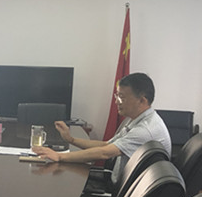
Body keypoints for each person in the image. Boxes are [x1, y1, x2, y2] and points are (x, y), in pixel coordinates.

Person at [32, 72, 171, 184]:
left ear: (142, 100)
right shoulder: (137, 119)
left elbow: (104, 153)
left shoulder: (145, 131)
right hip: (121, 185)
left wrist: (59, 156)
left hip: (120, 195)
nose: (116, 101)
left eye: (121, 97)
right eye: (117, 96)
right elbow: (106, 145)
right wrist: (71, 139)